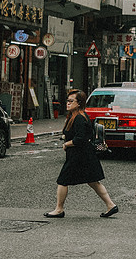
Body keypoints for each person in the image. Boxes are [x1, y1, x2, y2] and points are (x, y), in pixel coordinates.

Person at [45, 89, 118, 219]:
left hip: (79, 156)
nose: (67, 103)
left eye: (71, 101)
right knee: (93, 181)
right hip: (85, 155)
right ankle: (111, 205)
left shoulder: (79, 117)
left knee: (63, 180)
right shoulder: (76, 116)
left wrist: (67, 144)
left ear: (79, 103)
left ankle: (59, 209)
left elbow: (80, 138)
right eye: (67, 100)